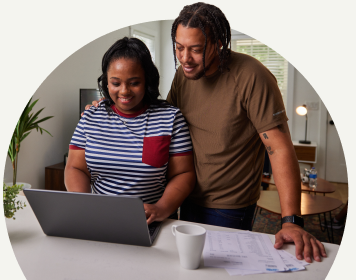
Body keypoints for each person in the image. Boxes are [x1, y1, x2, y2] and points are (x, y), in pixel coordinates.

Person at [86, 2, 326, 263]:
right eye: (179, 48)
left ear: (219, 42)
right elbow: (161, 119)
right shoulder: (183, 76)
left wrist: (291, 220)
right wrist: (109, 103)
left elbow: (279, 148)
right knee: (183, 267)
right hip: (182, 195)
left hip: (228, 206)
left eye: (196, 49)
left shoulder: (251, 77)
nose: (185, 58)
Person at [65, 37, 196, 225]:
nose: (124, 91)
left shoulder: (170, 118)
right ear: (106, 83)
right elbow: (75, 167)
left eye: (134, 83)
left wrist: (161, 208)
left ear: (147, 81)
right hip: (99, 219)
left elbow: (183, 174)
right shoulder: (91, 116)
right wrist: (85, 204)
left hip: (152, 222)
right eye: (116, 83)